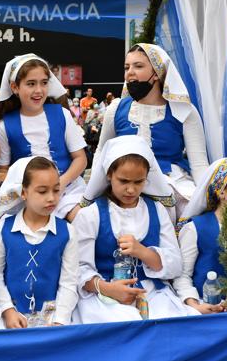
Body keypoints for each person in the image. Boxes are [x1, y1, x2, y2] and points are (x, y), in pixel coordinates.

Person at [72, 135, 192, 323]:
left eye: (138, 182)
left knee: (170, 323)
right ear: (109, 175)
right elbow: (78, 268)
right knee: (117, 325)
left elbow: (175, 265)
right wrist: (108, 289)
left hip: (152, 293)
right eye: (124, 181)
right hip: (104, 295)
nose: (131, 189)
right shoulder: (91, 215)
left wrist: (143, 252)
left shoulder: (158, 210)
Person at [94, 44, 209, 215]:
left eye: (138, 66)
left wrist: (208, 199)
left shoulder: (184, 111)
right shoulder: (116, 109)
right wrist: (95, 188)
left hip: (172, 182)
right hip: (126, 184)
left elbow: (199, 164)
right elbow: (102, 151)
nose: (130, 72)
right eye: (127, 67)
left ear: (157, 72)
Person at [0, 54, 87, 221]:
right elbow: (3, 169)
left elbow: (80, 159)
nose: (39, 90)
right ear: (15, 87)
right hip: (28, 198)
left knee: (83, 220)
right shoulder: (5, 126)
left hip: (67, 191)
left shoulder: (62, 114)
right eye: (31, 84)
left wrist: (60, 183)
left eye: (44, 83)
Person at [0, 156, 79, 328]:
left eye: (56, 190)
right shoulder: (3, 228)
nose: (51, 198)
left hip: (51, 317)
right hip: (9, 315)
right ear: (23, 192)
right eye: (42, 191)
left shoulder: (67, 232)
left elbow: (69, 282)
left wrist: (59, 320)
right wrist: (8, 311)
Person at [174, 157, 227, 314]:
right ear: (220, 190)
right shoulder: (195, 228)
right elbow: (182, 276)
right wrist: (194, 305)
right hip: (205, 308)